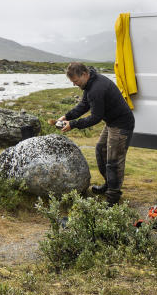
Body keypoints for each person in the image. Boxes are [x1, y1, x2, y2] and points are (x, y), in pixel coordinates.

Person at [57, 62, 135, 205]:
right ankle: (108, 184)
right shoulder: (89, 84)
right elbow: (84, 105)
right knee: (101, 150)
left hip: (121, 124)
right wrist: (67, 116)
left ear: (85, 74)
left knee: (113, 161)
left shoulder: (96, 88)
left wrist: (73, 124)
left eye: (76, 81)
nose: (75, 84)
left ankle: (113, 198)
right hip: (112, 122)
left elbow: (95, 118)